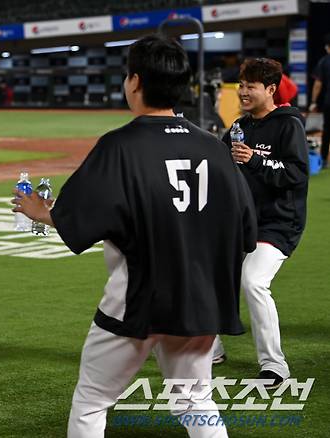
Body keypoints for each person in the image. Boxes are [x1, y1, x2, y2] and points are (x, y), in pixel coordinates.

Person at [13, 34, 257, 438]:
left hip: (136, 302)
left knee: (92, 401)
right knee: (195, 399)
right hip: (200, 303)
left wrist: (41, 211)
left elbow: (77, 222)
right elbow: (247, 232)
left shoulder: (119, 146)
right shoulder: (214, 148)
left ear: (135, 82)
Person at [213, 58, 308, 389]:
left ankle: (274, 365)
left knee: (253, 281)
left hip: (278, 223)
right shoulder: (241, 127)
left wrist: (256, 159)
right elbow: (219, 165)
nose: (242, 91)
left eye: (250, 86)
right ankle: (210, 348)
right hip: (242, 222)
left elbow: (296, 173)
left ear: (270, 89)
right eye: (241, 85)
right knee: (206, 271)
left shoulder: (288, 125)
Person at [309, 33, 330, 168]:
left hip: (329, 102)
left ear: (327, 47)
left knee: (327, 130)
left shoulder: (324, 61)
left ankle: (323, 160)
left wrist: (313, 102)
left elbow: (318, 84)